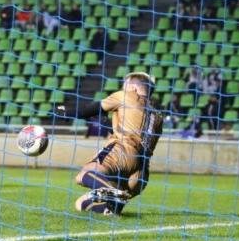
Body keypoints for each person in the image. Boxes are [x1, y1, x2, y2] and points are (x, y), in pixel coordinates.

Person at [58, 72, 164, 215]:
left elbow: (89, 109)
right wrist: (105, 123)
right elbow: (135, 133)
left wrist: (65, 113)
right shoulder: (157, 115)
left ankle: (114, 193)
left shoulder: (126, 95)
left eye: (124, 85)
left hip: (122, 152)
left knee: (85, 174)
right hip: (140, 173)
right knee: (81, 204)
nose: (122, 88)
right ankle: (111, 206)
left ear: (133, 87)